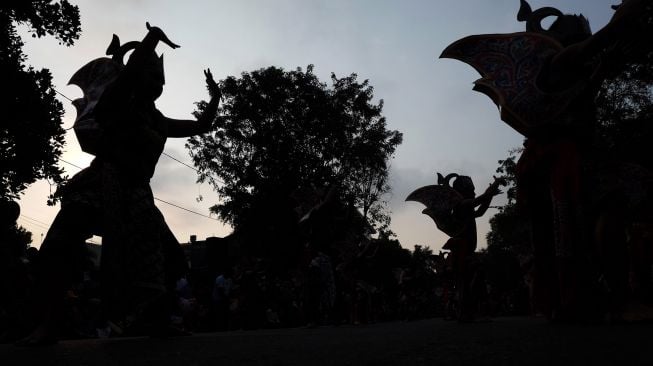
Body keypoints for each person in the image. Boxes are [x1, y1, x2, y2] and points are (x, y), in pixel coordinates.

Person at [441, 0, 653, 321]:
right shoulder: (561, 60)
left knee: (575, 229)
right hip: (562, 165)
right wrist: (621, 19)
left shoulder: (575, 72)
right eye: (582, 33)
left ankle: (575, 299)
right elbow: (599, 43)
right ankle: (598, 298)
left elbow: (596, 67)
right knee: (598, 214)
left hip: (563, 163)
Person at [19, 23, 222, 345]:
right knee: (62, 243)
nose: (157, 85)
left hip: (138, 194)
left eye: (161, 80)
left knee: (167, 258)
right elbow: (129, 76)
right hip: (101, 183)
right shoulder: (116, 99)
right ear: (135, 73)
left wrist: (216, 97)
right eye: (150, 76)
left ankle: (153, 319)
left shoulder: (157, 120)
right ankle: (48, 323)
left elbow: (202, 125)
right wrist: (153, 36)